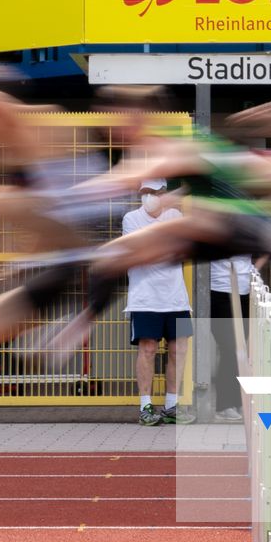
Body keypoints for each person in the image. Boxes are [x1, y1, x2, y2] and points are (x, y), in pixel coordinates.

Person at [123, 178, 192, 426]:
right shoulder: (131, 219)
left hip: (178, 300)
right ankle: (146, 407)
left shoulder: (176, 215)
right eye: (145, 192)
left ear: (165, 193)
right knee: (148, 349)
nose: (149, 196)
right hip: (144, 299)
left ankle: (172, 406)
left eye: (155, 192)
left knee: (178, 350)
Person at [205, 254, 255, 423]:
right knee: (229, 348)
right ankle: (224, 405)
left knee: (240, 349)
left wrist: (253, 272)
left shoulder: (250, 230)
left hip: (245, 293)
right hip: (219, 292)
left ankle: (236, 402)